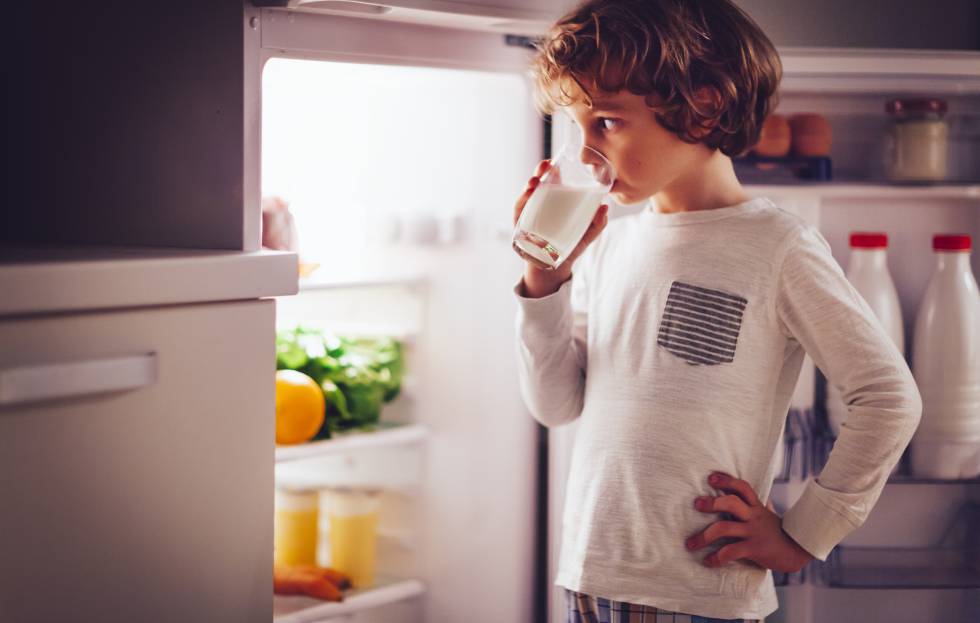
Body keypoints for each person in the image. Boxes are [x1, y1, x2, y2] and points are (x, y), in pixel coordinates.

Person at [512, 1, 921, 621]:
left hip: (701, 591)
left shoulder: (776, 246)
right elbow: (556, 404)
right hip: (591, 576)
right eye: (576, 128)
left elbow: (889, 397)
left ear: (703, 107)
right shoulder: (610, 247)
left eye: (606, 124)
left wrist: (803, 534)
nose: (586, 153)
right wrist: (545, 281)